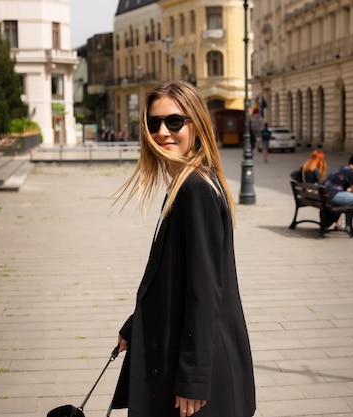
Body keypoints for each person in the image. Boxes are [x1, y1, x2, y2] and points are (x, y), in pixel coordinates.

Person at [111, 81, 256, 417]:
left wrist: (193, 378)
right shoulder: (189, 182)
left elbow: (205, 291)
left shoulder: (195, 189)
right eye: (153, 123)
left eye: (174, 122)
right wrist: (136, 323)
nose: (163, 131)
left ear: (197, 125)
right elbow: (175, 275)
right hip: (193, 356)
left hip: (197, 380)